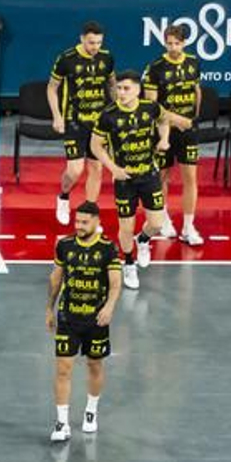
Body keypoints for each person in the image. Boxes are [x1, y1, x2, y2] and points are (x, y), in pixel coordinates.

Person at [47, 201, 122, 443]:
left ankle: (91, 411)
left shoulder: (108, 249)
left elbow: (115, 283)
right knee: (62, 369)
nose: (78, 226)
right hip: (68, 317)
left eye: (84, 222)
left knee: (95, 365)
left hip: (96, 320)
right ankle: (62, 423)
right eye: (76, 221)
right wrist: (50, 308)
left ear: (97, 222)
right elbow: (56, 279)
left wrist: (109, 307)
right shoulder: (65, 246)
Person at [90, 71, 171, 291]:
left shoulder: (150, 108)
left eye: (126, 88)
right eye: (118, 88)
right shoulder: (108, 115)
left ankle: (143, 240)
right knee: (126, 226)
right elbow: (95, 145)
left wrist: (164, 139)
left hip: (149, 174)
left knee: (156, 223)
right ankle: (128, 263)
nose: (121, 92)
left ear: (138, 90)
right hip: (124, 179)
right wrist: (113, 168)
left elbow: (165, 119)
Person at [143, 23, 206, 246]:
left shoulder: (193, 63)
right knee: (162, 177)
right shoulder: (156, 67)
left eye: (177, 43)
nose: (173, 47)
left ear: (184, 43)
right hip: (163, 131)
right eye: (169, 43)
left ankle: (188, 227)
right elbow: (151, 104)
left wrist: (193, 119)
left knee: (190, 178)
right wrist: (175, 120)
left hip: (188, 129)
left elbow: (196, 91)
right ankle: (164, 219)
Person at [48, 21, 115, 225]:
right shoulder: (66, 58)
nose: (95, 47)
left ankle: (89, 213)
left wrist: (116, 111)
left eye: (98, 43)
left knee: (96, 168)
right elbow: (52, 88)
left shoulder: (106, 58)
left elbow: (112, 85)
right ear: (82, 39)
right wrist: (57, 116)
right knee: (75, 170)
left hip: (98, 123)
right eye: (91, 42)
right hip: (74, 121)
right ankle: (64, 196)